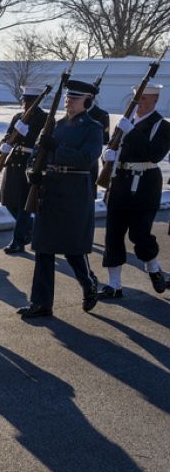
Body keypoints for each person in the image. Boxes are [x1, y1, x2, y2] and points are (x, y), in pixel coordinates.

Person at [20, 79, 104, 319]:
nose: (69, 101)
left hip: (75, 191)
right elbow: (37, 153)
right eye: (68, 97)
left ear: (87, 101)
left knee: (73, 248)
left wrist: (57, 148)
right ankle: (41, 302)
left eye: (75, 98)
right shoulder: (56, 125)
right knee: (43, 248)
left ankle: (88, 283)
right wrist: (32, 172)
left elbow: (87, 158)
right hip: (51, 189)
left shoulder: (93, 128)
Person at [99, 84, 170, 298]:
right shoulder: (125, 122)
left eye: (145, 99)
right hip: (120, 181)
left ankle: (154, 267)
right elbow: (112, 148)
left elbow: (155, 154)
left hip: (145, 183)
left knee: (139, 233)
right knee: (113, 233)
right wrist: (107, 156)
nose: (139, 103)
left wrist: (132, 133)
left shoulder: (162, 126)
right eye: (137, 99)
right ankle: (114, 285)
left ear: (155, 100)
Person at [0, 86, 48, 254]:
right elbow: (7, 135)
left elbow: (45, 144)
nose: (25, 103)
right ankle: (31, 228)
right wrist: (3, 146)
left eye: (29, 101)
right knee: (9, 202)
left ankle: (18, 241)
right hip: (13, 162)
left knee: (23, 206)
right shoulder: (17, 117)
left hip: (30, 164)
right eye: (24, 100)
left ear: (36, 101)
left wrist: (28, 136)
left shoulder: (45, 118)